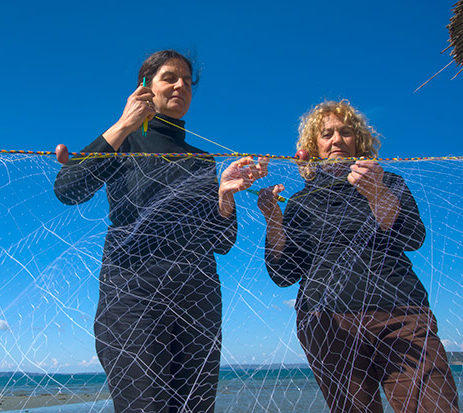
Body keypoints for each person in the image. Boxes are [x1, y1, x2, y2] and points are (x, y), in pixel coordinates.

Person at [54, 50, 266, 412]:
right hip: (132, 295)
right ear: (144, 87)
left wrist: (225, 196)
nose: (181, 85)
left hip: (198, 298)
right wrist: (123, 125)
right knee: (144, 405)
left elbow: (221, 242)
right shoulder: (124, 142)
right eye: (170, 77)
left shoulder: (202, 160)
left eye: (187, 80)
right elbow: (68, 189)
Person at [258, 100, 459, 413]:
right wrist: (274, 222)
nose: (337, 140)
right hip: (326, 324)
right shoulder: (298, 202)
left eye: (345, 132)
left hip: (401, 314)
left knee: (436, 405)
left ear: (359, 141)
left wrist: (378, 193)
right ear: (313, 147)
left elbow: (413, 238)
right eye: (326, 135)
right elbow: (283, 274)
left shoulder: (389, 181)